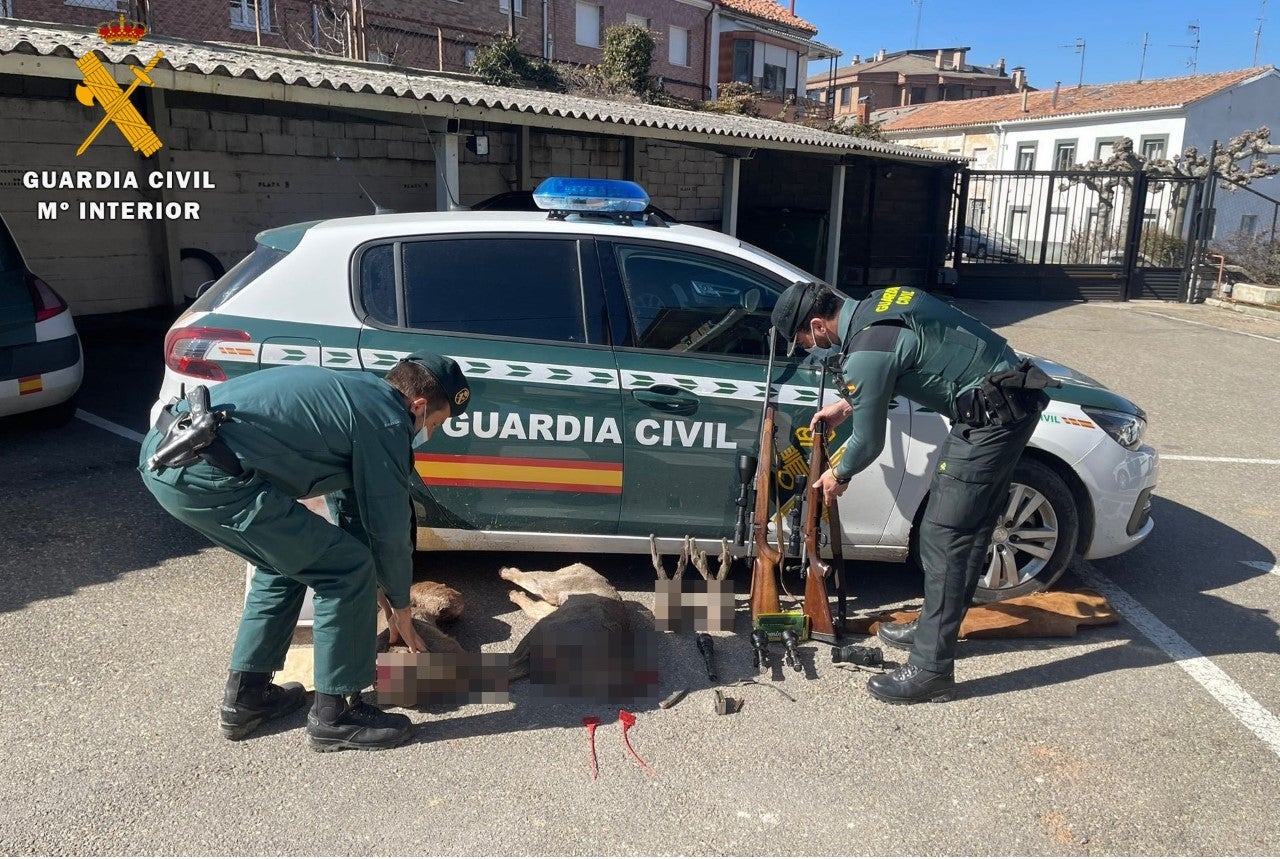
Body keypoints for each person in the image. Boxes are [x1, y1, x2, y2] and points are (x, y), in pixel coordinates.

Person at [139, 354, 470, 749]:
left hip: (169, 456)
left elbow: (353, 507)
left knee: (285, 566)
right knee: (344, 570)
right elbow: (389, 525)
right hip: (206, 470)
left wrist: (382, 590)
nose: (428, 432)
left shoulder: (360, 397)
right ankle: (337, 714)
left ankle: (247, 699)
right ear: (418, 405)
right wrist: (399, 605)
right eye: (434, 423)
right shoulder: (387, 420)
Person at [772, 283, 1056, 704]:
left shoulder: (863, 353)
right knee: (968, 529)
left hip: (989, 421)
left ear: (817, 324)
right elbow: (914, 356)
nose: (808, 349)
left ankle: (930, 671)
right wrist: (845, 406)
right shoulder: (881, 303)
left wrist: (839, 474)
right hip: (1008, 398)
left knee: (943, 537)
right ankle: (934, 629)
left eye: (803, 341)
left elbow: (868, 443)